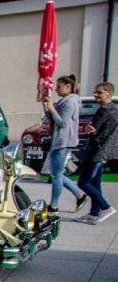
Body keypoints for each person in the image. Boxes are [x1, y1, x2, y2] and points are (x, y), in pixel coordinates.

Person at [43, 74, 87, 213]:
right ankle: (79, 194)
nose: (56, 89)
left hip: (63, 142)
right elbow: (52, 119)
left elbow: (63, 123)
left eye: (59, 86)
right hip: (60, 141)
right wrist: (47, 107)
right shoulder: (64, 101)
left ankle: (54, 205)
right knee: (57, 174)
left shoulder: (70, 102)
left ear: (68, 87)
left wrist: (52, 108)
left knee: (56, 175)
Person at [74, 82, 117, 224]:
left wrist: (88, 129)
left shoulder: (105, 110)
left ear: (109, 94)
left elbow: (92, 129)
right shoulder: (114, 109)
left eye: (99, 93)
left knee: (83, 182)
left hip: (98, 152)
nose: (96, 95)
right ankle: (94, 213)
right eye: (95, 92)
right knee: (95, 183)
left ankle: (106, 207)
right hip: (104, 151)